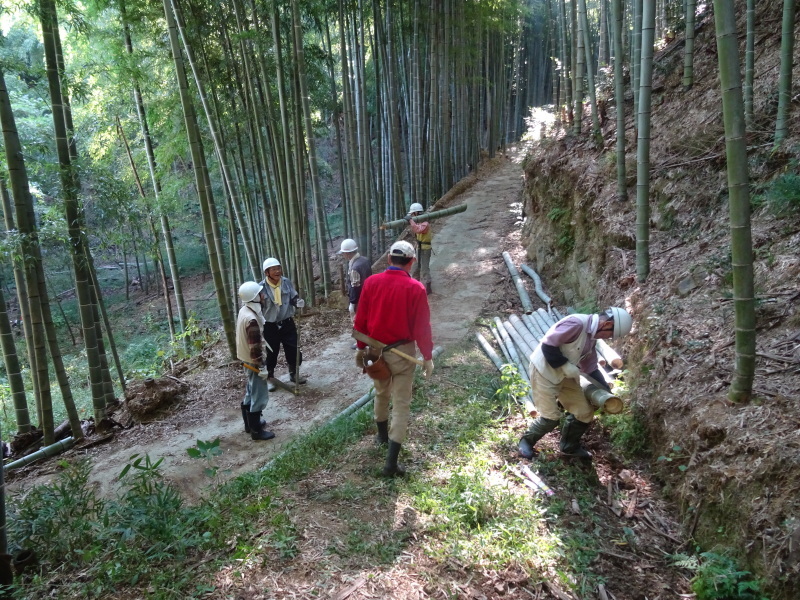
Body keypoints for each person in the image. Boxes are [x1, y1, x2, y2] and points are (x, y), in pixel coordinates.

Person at [354, 240, 434, 477]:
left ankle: (381, 435)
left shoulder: (372, 282)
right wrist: (427, 356)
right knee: (401, 402)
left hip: (376, 352)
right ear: (411, 262)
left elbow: (361, 320)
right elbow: (422, 327)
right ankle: (391, 463)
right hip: (403, 353)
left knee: (381, 391)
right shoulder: (415, 288)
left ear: (389, 259)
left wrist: (361, 348)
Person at [518, 307, 633, 460]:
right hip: (543, 371)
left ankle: (568, 447)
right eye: (610, 334)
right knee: (551, 417)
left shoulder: (591, 337)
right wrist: (565, 365)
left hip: (566, 376)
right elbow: (547, 345)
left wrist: (605, 389)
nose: (608, 337)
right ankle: (526, 441)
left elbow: (590, 367)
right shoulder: (576, 324)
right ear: (606, 324)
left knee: (584, 412)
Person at [235, 281, 275, 441]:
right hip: (252, 361)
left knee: (251, 391)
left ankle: (249, 424)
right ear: (254, 298)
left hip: (245, 359)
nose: (263, 295)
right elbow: (255, 347)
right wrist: (262, 366)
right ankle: (256, 430)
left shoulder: (244, 310)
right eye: (260, 294)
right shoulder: (251, 319)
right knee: (259, 395)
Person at [259, 258, 306, 391]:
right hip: (269, 325)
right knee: (271, 353)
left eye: (278, 268)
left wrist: (297, 302)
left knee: (293, 348)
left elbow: (293, 297)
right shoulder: (261, 288)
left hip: (287, 322)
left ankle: (294, 373)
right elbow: (258, 307)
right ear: (267, 272)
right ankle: (270, 378)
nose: (277, 271)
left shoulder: (285, 282)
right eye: (273, 269)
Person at [405, 203, 433, 295]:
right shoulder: (418, 222)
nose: (412, 216)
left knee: (424, 268)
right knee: (415, 267)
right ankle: (415, 285)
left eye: (413, 214)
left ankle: (428, 287)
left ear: (417, 213)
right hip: (419, 247)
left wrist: (411, 221)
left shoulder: (425, 223)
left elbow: (418, 229)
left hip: (425, 248)